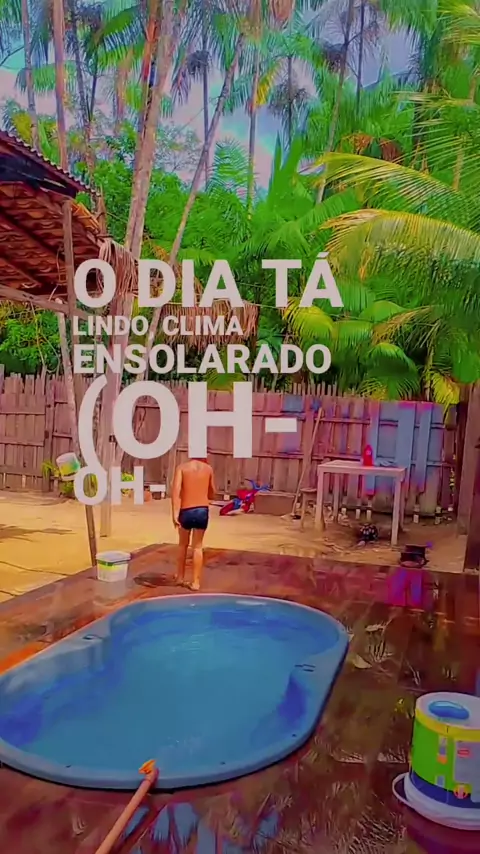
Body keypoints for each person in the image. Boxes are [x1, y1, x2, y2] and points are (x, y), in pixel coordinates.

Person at [171, 457, 216, 590]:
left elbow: (176, 492)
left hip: (186, 509)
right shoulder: (208, 469)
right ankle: (196, 582)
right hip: (202, 510)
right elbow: (212, 492)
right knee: (197, 547)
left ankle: (180, 577)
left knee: (182, 545)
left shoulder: (182, 468)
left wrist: (175, 513)